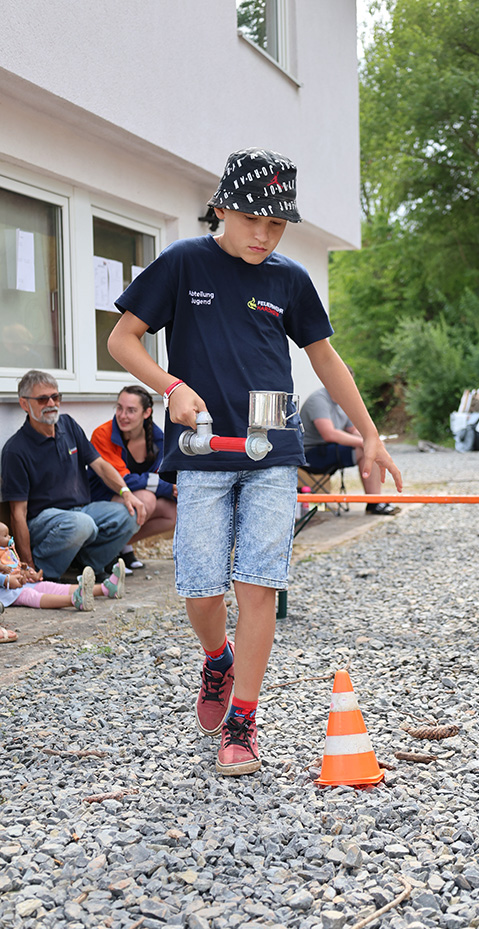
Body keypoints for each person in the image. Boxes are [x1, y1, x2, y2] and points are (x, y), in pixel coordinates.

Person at [107, 146, 402, 777]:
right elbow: (121, 339)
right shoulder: (185, 263)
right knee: (201, 589)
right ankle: (217, 658)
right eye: (251, 220)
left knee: (259, 586)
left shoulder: (288, 279)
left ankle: (244, 717)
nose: (263, 235)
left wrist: (371, 434)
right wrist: (170, 387)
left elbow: (326, 359)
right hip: (203, 452)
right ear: (221, 209)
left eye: (276, 224)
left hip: (273, 451)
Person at [0, 370, 146, 582]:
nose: (52, 403)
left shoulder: (68, 425)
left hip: (81, 511)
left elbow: (101, 466)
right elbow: (17, 514)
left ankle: (88, 566)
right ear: (24, 404)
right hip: (44, 521)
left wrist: (126, 493)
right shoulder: (16, 450)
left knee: (130, 513)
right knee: (82, 523)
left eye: (56, 397)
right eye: (42, 399)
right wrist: (26, 564)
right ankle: (43, 574)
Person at [89, 385, 177, 570]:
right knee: (146, 499)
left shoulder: (157, 438)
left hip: (131, 498)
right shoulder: (102, 434)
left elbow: (161, 475)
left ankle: (119, 546)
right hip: (101, 495)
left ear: (146, 413)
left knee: (172, 512)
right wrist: (167, 487)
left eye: (131, 410)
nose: (122, 415)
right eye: (119, 408)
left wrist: (173, 488)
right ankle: (104, 553)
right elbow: (123, 480)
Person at [300, 379, 398, 515]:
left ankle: (375, 501)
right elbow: (329, 434)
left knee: (370, 448)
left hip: (330, 449)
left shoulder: (343, 400)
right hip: (311, 453)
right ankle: (374, 503)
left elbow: (353, 430)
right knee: (365, 450)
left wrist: (371, 440)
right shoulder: (318, 400)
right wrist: (364, 443)